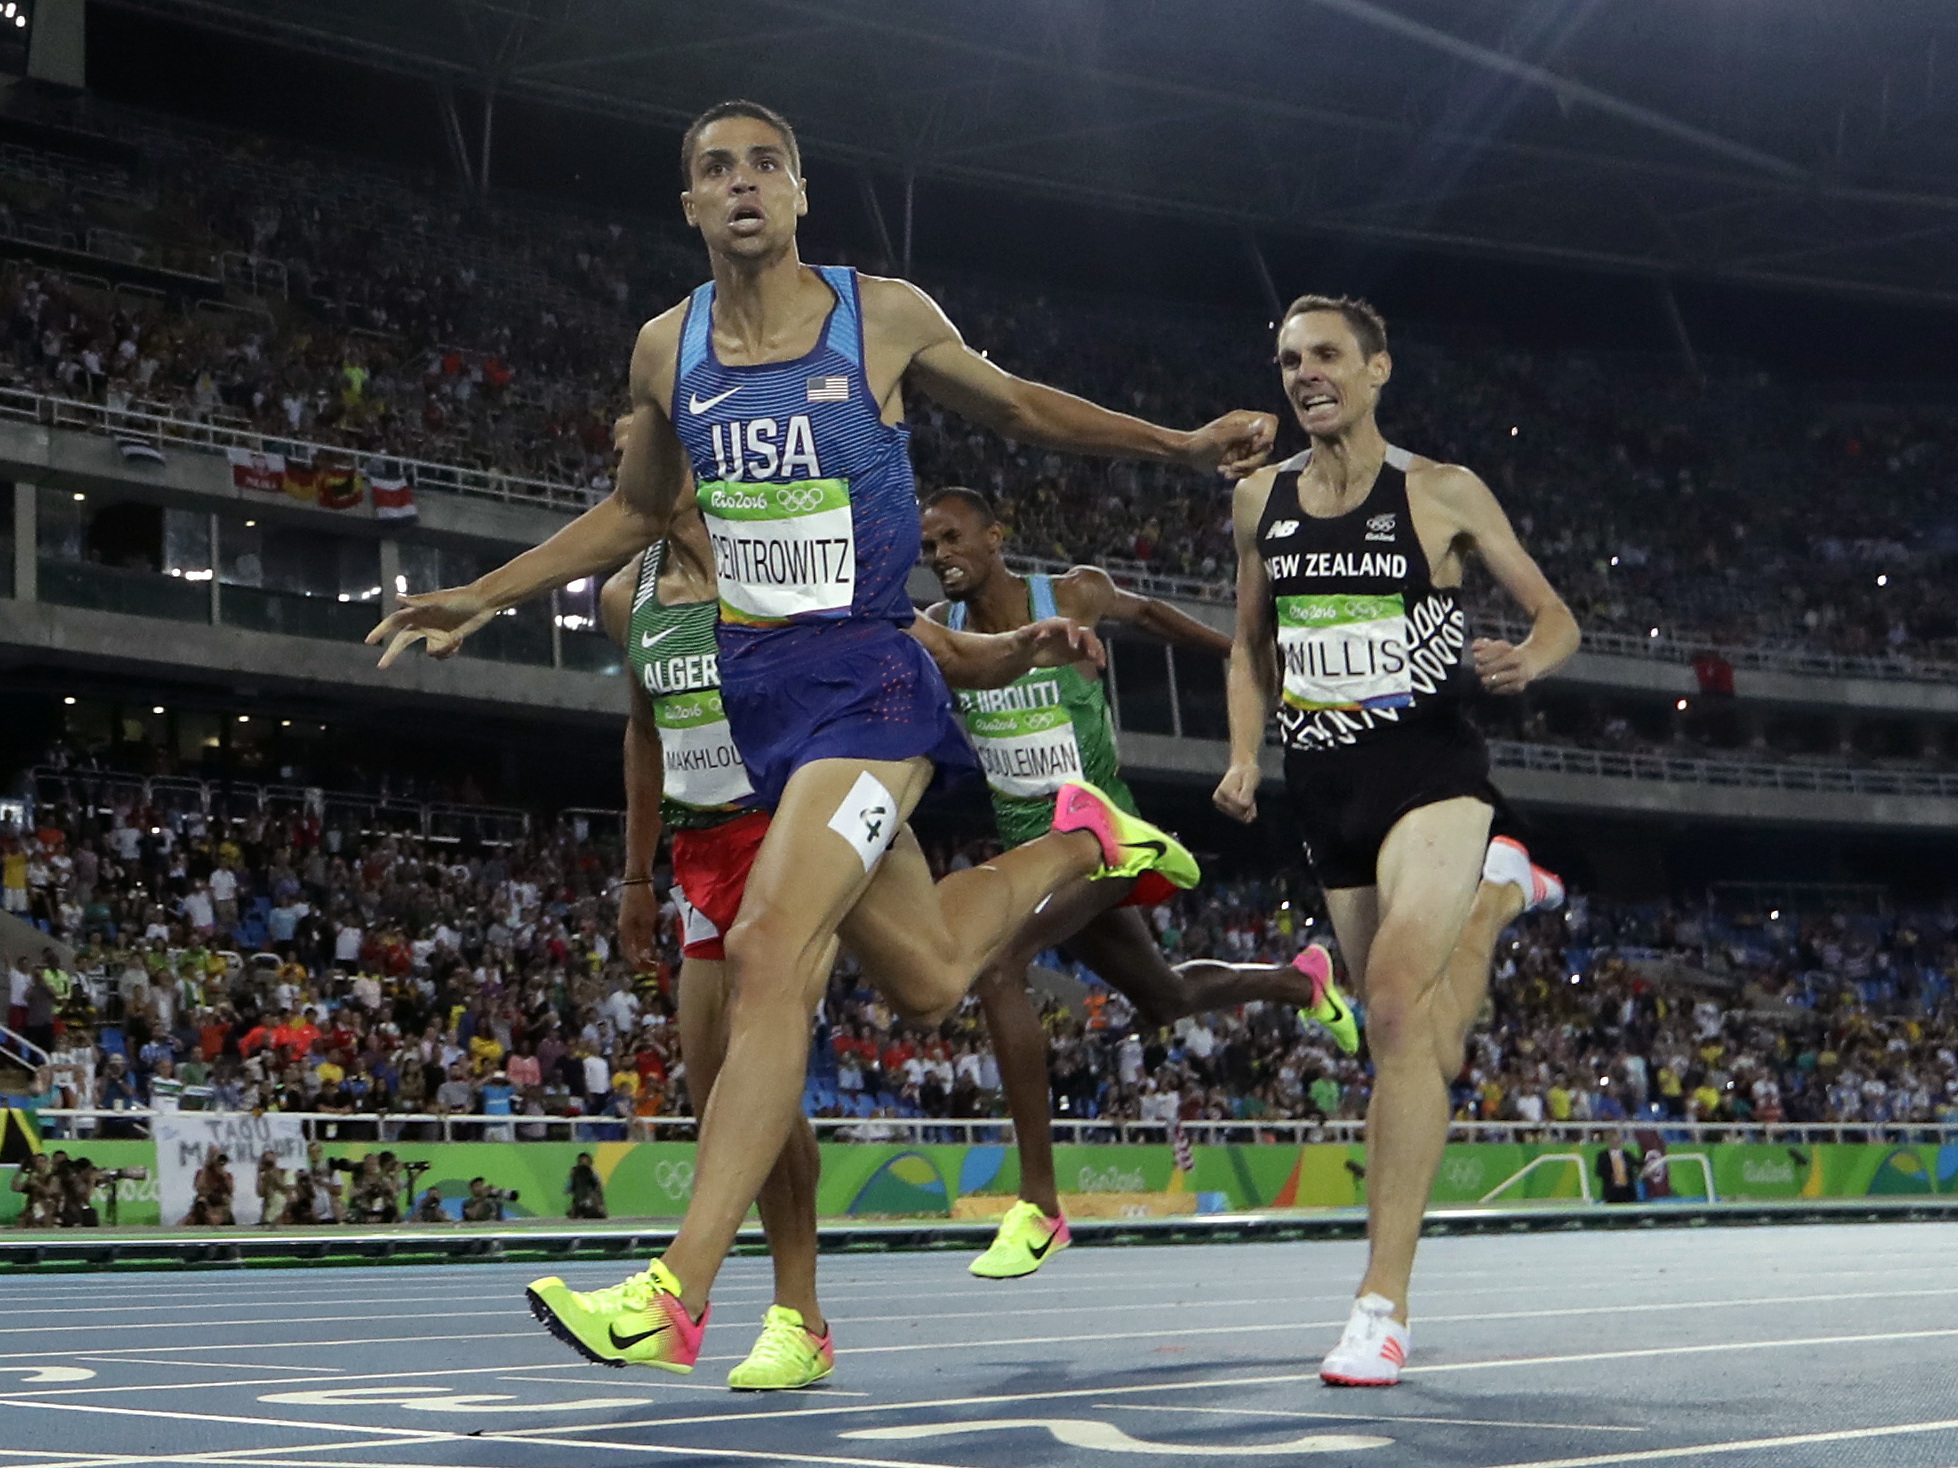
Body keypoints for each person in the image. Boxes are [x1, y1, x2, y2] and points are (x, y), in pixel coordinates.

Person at [368, 97, 1273, 1378]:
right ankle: (1083, 837)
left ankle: (676, 1295)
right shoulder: (664, 348)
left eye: (765, 165)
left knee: (767, 946)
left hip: (874, 682)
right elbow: (632, 513)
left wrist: (1178, 444)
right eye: (715, 168)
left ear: (799, 194)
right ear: (689, 203)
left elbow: (1018, 409)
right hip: (761, 705)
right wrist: (482, 592)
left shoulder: (878, 315)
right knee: (928, 976)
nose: (741, 183)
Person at [594, 468, 1115, 1388]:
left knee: (766, 1042)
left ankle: (757, 1309)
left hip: (798, 817)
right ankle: (1082, 840)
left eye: (647, 452)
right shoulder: (621, 596)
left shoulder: (784, 559)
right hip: (701, 845)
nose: (630, 475)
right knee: (780, 1061)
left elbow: (933, 648)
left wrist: (1022, 646)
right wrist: (638, 873)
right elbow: (644, 730)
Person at [1215, 294, 1575, 1387]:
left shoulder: (1440, 491)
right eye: (1289, 360)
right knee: (1416, 1043)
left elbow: (1556, 616)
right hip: (1323, 785)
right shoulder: (1258, 500)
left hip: (1429, 772)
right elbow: (1248, 647)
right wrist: (1243, 755)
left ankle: (1381, 1304)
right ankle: (1499, 895)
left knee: (1388, 1002)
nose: (1305, 374)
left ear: (1376, 369)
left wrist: (1529, 660)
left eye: (1326, 354)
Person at [919, 485, 1358, 1277]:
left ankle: (1040, 1206)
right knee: (1164, 998)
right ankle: (1300, 981)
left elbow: (1149, 613)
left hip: (1100, 839)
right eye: (929, 548)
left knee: (999, 967)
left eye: (952, 538)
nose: (940, 556)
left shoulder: (1071, 595)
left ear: (995, 536)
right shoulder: (943, 634)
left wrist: (1241, 653)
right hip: (1030, 854)